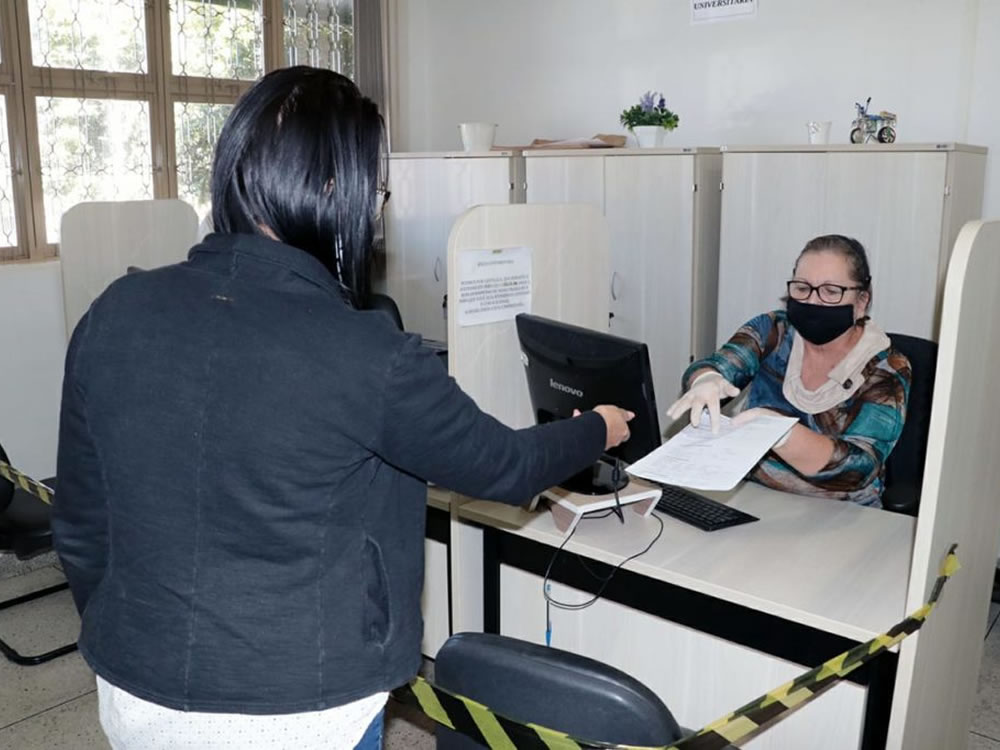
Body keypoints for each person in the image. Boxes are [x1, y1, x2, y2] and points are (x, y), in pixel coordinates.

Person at [51, 66, 634, 750]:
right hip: (298, 704)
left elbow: (82, 522)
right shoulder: (367, 353)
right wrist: (597, 428)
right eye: (375, 188)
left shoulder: (115, 313)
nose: (377, 208)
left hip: (134, 689)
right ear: (333, 190)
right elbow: (503, 467)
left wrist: (129, 627)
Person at [666, 234, 911, 507]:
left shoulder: (886, 367)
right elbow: (724, 362)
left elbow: (859, 468)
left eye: (831, 291)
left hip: (841, 513)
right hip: (754, 498)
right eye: (802, 288)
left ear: (862, 301)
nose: (813, 302)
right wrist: (707, 378)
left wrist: (781, 434)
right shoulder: (774, 330)